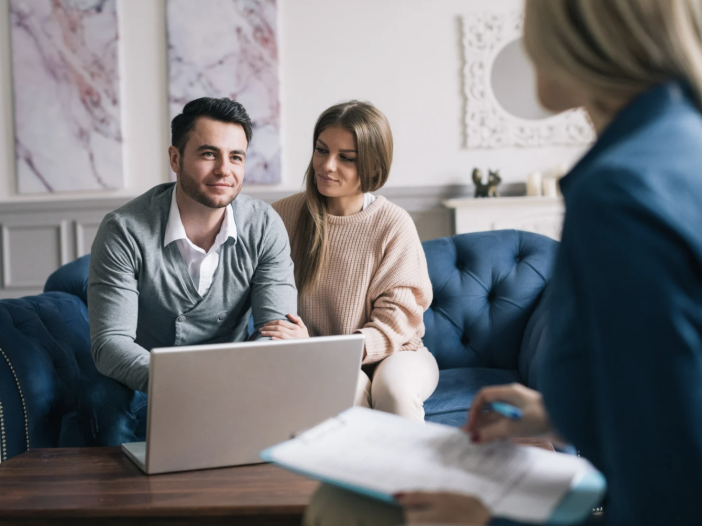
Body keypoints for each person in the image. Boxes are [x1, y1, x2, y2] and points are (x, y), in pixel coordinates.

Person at [306, 0, 702, 524]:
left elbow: (670, 470)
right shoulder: (677, 147)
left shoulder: (621, 192)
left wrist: (488, 520)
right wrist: (555, 414)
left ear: (576, 35)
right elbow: (659, 396)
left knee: (339, 505)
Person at [82, 97, 297, 446]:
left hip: (235, 378)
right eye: (209, 154)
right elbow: (111, 343)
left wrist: (236, 377)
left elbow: (277, 329)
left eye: (236, 157)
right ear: (175, 158)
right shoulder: (123, 230)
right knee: (100, 400)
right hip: (143, 379)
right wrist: (186, 382)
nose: (224, 170)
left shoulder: (264, 225)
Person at [262, 101, 439, 422]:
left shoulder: (393, 223)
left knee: (395, 392)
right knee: (346, 387)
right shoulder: (283, 216)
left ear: (372, 167)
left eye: (346, 158)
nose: (327, 165)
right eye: (321, 150)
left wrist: (327, 350)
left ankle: (411, 473)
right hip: (315, 355)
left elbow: (397, 321)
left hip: (400, 352)